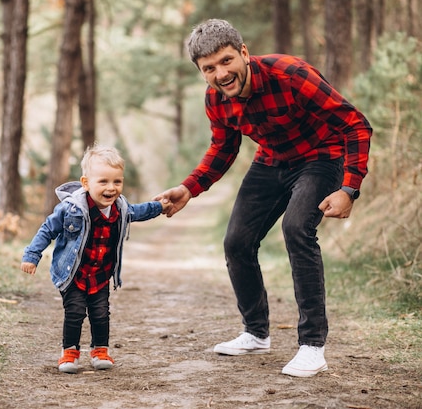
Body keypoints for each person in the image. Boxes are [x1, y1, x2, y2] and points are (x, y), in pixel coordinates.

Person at [155, 19, 372, 377]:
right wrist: (189, 188)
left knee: (297, 229)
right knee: (237, 242)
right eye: (209, 68)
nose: (221, 74)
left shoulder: (290, 74)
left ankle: (312, 346)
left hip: (321, 156)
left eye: (226, 61)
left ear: (244, 53)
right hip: (271, 161)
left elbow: (355, 124)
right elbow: (223, 149)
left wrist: (349, 188)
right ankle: (256, 333)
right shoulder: (216, 99)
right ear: (200, 71)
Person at [21, 143, 172, 374]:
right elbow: (47, 230)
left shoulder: (120, 209)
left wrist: (160, 207)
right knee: (75, 312)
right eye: (103, 181)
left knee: (101, 313)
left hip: (101, 274)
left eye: (117, 182)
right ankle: (69, 352)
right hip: (73, 273)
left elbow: (139, 211)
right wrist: (32, 255)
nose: (111, 188)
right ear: (86, 183)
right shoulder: (71, 209)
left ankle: (100, 350)